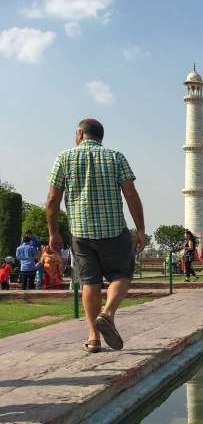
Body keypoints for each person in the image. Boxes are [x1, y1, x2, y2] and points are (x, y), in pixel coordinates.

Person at [47, 119, 145, 353]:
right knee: (121, 274)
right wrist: (140, 229)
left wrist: (53, 231)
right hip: (113, 229)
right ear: (101, 136)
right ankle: (108, 313)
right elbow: (131, 194)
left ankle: (93, 337)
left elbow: (52, 199)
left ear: (80, 134)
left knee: (89, 282)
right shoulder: (115, 157)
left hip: (80, 232)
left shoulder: (64, 158)